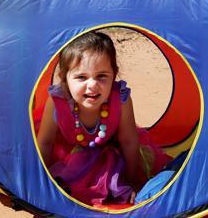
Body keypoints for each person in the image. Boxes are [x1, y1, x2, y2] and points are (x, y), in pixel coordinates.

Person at [36, 31, 171, 206]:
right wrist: (41, 182)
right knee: (61, 189)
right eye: (81, 77)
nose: (92, 85)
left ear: (114, 75)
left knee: (120, 187)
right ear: (64, 78)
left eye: (101, 76)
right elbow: (45, 142)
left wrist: (131, 181)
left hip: (112, 154)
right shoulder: (57, 102)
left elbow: (129, 141)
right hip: (68, 156)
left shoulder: (120, 100)